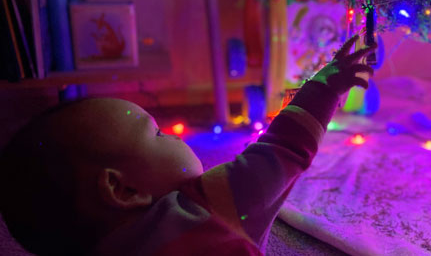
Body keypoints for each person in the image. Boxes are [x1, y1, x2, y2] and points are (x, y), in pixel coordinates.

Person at [0, 35, 375, 256]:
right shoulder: (203, 206)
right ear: (124, 189)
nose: (175, 135)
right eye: (158, 134)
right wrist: (325, 86)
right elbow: (284, 147)